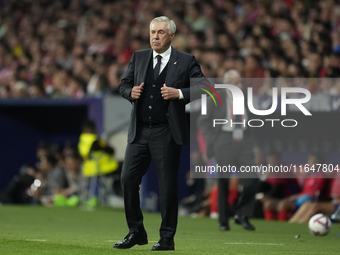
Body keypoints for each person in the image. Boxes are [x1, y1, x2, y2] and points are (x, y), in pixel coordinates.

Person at [114, 16, 205, 251]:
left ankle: (166, 238)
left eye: (161, 32)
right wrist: (129, 92)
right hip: (140, 131)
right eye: (153, 32)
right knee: (127, 180)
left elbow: (206, 87)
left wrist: (180, 93)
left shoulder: (185, 61)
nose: (155, 36)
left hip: (167, 132)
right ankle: (136, 232)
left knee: (167, 187)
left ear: (171, 36)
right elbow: (123, 84)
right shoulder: (139, 56)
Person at [197, 70, 259, 231]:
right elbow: (203, 121)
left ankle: (242, 215)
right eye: (236, 82)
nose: (240, 85)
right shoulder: (216, 97)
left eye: (240, 82)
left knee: (251, 180)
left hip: (243, 141)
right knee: (223, 182)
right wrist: (214, 140)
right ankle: (223, 221)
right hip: (224, 140)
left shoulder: (246, 97)